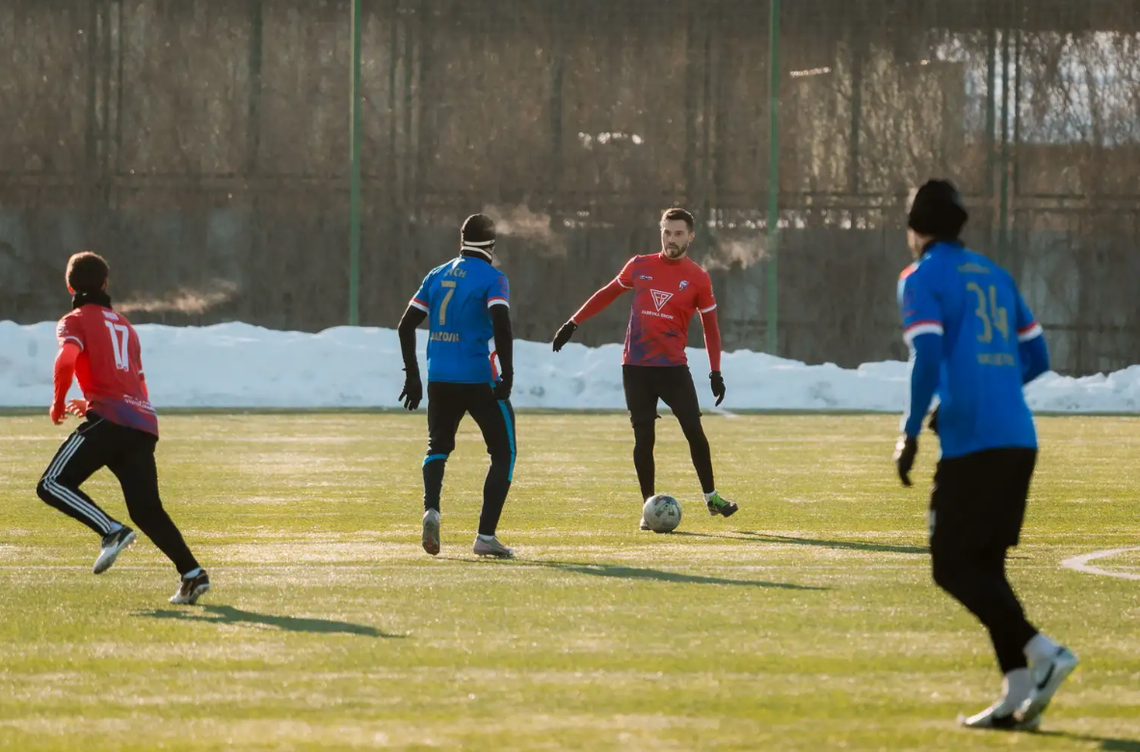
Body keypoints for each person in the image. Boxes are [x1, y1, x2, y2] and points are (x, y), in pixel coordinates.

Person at [894, 180, 1077, 730]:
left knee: (949, 565)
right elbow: (1037, 355)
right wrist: (991, 385)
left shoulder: (921, 277)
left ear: (915, 229)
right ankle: (1018, 691)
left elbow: (926, 356)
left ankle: (1045, 653)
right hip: (1018, 436)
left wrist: (909, 432)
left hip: (973, 441)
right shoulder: (995, 274)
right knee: (986, 568)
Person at [37, 252, 210, 605]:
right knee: (147, 510)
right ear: (105, 285)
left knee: (51, 484)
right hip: (141, 422)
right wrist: (93, 403)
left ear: (70, 286)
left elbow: (67, 358)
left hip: (113, 420)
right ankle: (193, 574)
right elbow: (135, 384)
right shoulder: (125, 326)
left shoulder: (73, 320)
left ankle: (111, 531)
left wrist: (58, 403)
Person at [552, 207, 737, 530]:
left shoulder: (698, 278)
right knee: (643, 437)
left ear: (690, 237)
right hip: (636, 366)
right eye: (666, 232)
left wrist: (715, 371)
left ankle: (711, 497)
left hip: (673, 368)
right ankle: (648, 508)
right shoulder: (640, 265)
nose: (671, 239)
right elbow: (607, 294)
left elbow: (711, 328)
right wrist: (573, 322)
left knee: (694, 430)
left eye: (678, 233)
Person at [397, 214, 517, 559]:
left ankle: (431, 509)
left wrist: (413, 376)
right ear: (492, 245)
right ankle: (485, 536)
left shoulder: (437, 274)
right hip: (479, 378)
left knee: (437, 447)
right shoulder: (494, 278)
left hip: (439, 378)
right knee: (503, 453)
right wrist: (507, 373)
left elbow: (406, 326)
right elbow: (502, 324)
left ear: (461, 240)